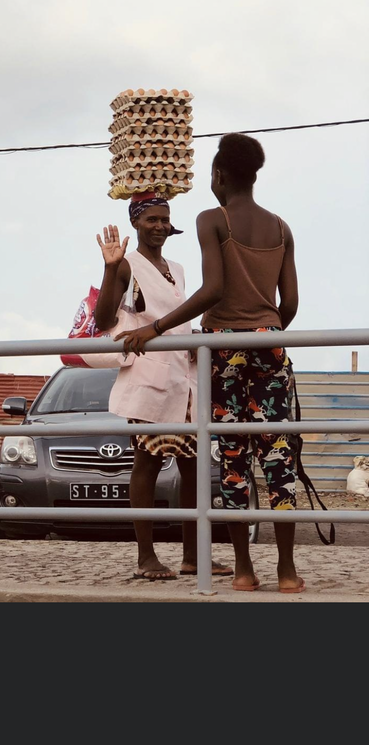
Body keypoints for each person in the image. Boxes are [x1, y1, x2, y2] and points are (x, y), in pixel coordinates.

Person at [115, 133, 303, 594]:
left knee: (234, 458)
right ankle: (287, 572)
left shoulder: (211, 219)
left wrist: (155, 330)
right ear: (253, 176)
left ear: (219, 176)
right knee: (278, 457)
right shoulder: (281, 228)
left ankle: (242, 571)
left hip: (223, 347)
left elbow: (213, 289)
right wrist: (266, 329)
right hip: (270, 340)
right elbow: (291, 302)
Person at [95, 192, 233, 582]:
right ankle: (146, 558)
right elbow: (104, 318)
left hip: (184, 379)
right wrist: (109, 268)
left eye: (164, 220)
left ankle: (193, 556)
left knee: (193, 468)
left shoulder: (178, 267)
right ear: (136, 223)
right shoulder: (127, 265)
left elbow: (180, 320)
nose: (159, 226)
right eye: (151, 219)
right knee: (148, 464)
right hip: (149, 378)